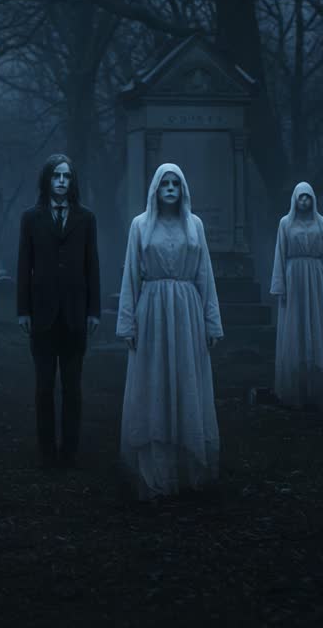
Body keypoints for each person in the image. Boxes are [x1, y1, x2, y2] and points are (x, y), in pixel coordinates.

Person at [116, 163, 223, 500]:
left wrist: (211, 320)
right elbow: (131, 276)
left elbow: (205, 274)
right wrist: (127, 322)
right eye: (165, 184)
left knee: (186, 380)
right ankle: (156, 471)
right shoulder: (140, 225)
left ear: (183, 189)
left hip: (187, 311)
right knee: (154, 383)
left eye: (176, 183)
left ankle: (188, 467)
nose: (171, 189)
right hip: (152, 311)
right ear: (156, 189)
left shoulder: (195, 226)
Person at [15, 154, 100, 469]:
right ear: (47, 180)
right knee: (44, 387)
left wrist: (94, 311)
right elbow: (24, 265)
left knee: (72, 387)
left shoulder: (86, 218)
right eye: (56, 176)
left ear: (72, 181)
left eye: (66, 176)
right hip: (42, 315)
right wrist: (23, 310)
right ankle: (47, 450)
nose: (62, 181)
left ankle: (70, 451)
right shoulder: (31, 218)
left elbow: (92, 266)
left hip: (75, 315)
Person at [270, 181, 323, 411]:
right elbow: (280, 254)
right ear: (295, 200)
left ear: (313, 199)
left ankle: (316, 389)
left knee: (315, 325)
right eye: (301, 197)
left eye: (308, 197)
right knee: (295, 326)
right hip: (294, 278)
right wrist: (280, 286)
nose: (305, 201)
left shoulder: (321, 223)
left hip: (316, 278)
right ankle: (294, 389)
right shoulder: (285, 223)